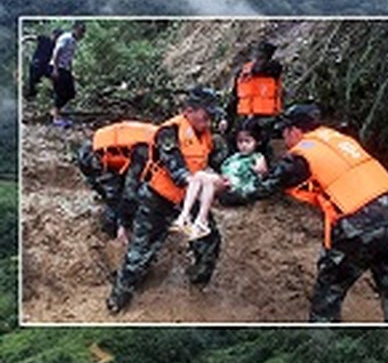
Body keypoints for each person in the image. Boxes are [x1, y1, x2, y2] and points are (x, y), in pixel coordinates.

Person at [246, 104, 388, 323]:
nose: (285, 140)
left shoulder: (303, 152)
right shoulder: (339, 140)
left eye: (284, 132)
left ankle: (321, 337)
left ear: (294, 130)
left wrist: (228, 188)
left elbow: (264, 188)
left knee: (329, 292)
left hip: (359, 224)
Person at [107, 87, 228, 315]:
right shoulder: (169, 132)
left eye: (213, 115)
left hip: (188, 199)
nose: (210, 120)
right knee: (141, 251)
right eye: (206, 114)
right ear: (190, 111)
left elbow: (212, 160)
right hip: (158, 199)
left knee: (210, 240)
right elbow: (178, 171)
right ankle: (120, 295)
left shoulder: (206, 133)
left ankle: (198, 281)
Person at [171, 119, 269, 240]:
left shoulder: (257, 157)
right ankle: (184, 216)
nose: (243, 145)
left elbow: (263, 172)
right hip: (226, 186)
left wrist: (260, 170)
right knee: (199, 175)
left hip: (237, 190)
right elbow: (224, 171)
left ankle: (201, 221)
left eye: (247, 141)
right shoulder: (234, 157)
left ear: (257, 142)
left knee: (206, 178)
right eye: (240, 142)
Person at [76, 119, 158, 240]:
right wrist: (124, 224)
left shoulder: (162, 139)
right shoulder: (145, 151)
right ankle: (112, 235)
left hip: (112, 154)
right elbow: (130, 192)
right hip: (95, 157)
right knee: (115, 197)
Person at [226, 41, 283, 153]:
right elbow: (234, 98)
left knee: (264, 148)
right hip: (244, 117)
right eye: (257, 54)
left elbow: (263, 68)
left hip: (267, 119)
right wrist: (227, 118)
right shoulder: (242, 73)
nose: (258, 57)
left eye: (261, 54)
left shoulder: (273, 69)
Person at [50, 22, 86, 128]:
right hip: (58, 68)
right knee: (60, 93)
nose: (82, 34)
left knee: (71, 93)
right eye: (80, 31)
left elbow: (69, 58)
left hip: (65, 69)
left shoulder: (74, 41)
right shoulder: (66, 38)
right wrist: (55, 69)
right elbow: (57, 52)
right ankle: (55, 117)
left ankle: (57, 112)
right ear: (74, 29)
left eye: (83, 32)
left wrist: (71, 71)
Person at [22, 27, 60, 101]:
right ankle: (30, 96)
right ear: (53, 34)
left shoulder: (56, 45)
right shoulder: (44, 38)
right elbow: (33, 37)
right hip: (36, 64)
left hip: (45, 65)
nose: (56, 38)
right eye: (56, 36)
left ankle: (54, 94)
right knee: (33, 82)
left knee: (55, 77)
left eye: (58, 37)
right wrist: (24, 39)